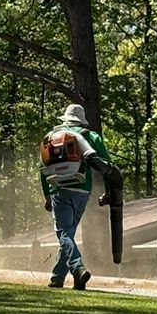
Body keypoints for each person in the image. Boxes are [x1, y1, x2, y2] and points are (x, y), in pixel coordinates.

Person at [39, 103, 115, 289]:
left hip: (59, 189)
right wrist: (109, 191)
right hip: (82, 190)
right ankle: (58, 277)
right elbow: (107, 166)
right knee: (68, 234)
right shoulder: (91, 136)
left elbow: (43, 168)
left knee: (64, 233)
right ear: (82, 120)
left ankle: (78, 268)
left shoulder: (50, 137)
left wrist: (47, 194)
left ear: (65, 119)